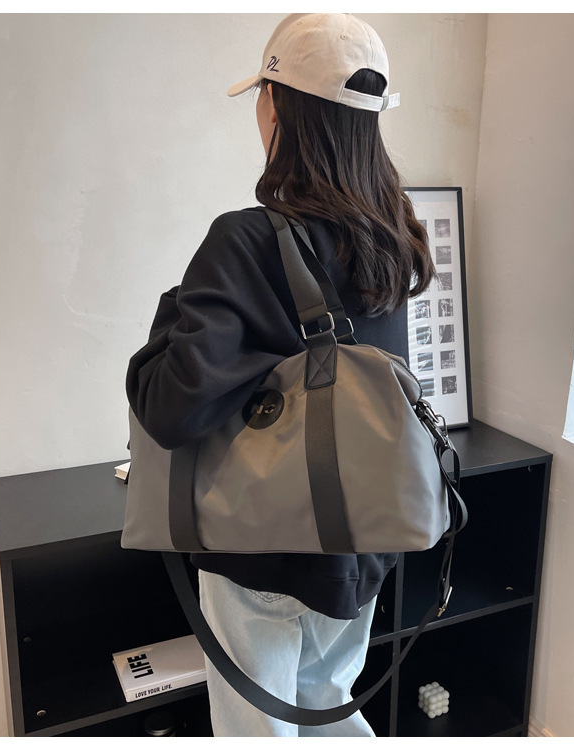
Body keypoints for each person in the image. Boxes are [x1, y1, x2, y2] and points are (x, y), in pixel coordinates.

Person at [126, 13, 435, 737]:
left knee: (256, 729)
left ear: (277, 106)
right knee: (327, 705)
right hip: (362, 535)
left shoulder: (244, 241)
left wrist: (174, 311)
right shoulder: (392, 235)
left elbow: (170, 408)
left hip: (262, 548)